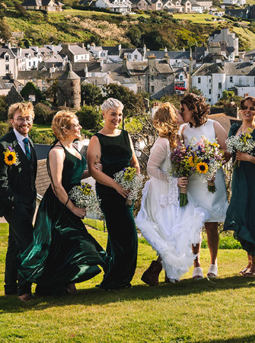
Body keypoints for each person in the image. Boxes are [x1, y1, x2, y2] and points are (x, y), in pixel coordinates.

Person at [19, 110, 107, 295]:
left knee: (69, 245)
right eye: (76, 125)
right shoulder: (56, 152)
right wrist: (73, 208)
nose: (80, 127)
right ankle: (42, 286)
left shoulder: (73, 148)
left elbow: (73, 175)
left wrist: (91, 172)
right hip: (57, 207)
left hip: (69, 202)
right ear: (65, 130)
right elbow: (57, 185)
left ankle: (66, 283)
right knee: (63, 244)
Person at [136, 103, 207, 285]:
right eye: (176, 112)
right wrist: (173, 181)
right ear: (170, 118)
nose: (179, 113)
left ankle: (159, 271)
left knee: (179, 230)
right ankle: (162, 272)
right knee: (170, 232)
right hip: (163, 194)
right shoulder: (163, 143)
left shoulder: (178, 139)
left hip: (176, 192)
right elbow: (151, 168)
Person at [0, 102, 38, 301]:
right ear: (11, 121)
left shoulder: (29, 142)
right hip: (14, 205)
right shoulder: (3, 145)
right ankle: (24, 291)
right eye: (20, 119)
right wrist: (13, 203)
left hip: (29, 203)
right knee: (28, 245)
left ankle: (9, 288)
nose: (24, 122)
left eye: (27, 119)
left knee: (15, 246)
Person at [87, 98, 140, 290]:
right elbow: (94, 171)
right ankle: (120, 280)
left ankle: (112, 277)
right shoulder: (96, 139)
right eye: (113, 114)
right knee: (125, 237)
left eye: (119, 114)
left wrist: (133, 186)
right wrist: (117, 187)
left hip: (127, 192)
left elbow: (134, 164)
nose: (117, 118)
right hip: (109, 193)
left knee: (118, 237)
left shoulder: (126, 136)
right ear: (103, 115)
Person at [179, 93, 229, 279]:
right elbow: (180, 154)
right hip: (192, 182)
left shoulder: (213, 126)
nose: (181, 112)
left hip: (211, 181)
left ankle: (214, 262)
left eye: (183, 109)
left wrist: (212, 163)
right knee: (194, 225)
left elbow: (226, 151)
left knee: (211, 225)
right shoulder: (184, 129)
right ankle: (196, 263)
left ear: (193, 109)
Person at [224, 96, 255, 277]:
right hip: (239, 177)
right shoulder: (234, 128)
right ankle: (249, 262)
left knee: (252, 216)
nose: (248, 111)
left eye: (252, 108)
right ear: (240, 110)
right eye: (245, 108)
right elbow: (229, 151)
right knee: (240, 215)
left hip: (254, 179)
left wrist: (248, 158)